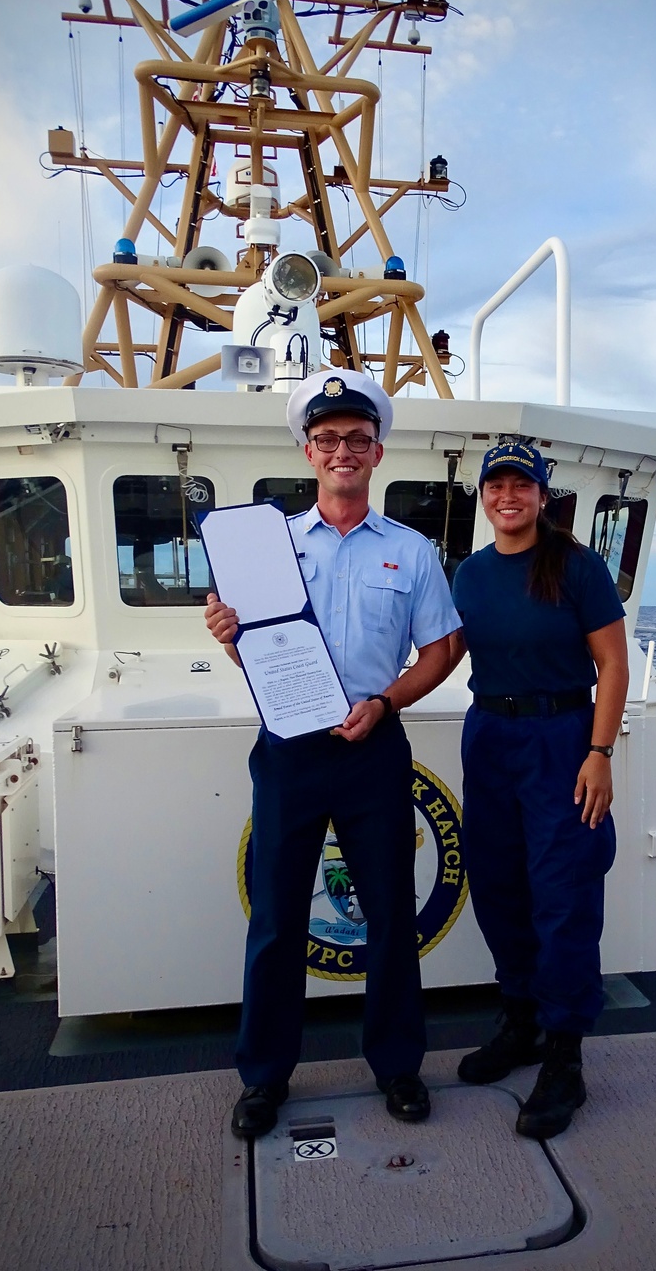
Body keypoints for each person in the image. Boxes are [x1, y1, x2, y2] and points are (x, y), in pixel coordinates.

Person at [205, 370, 460, 1138]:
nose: (342, 451)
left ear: (376, 452)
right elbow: (256, 647)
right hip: (289, 749)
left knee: (390, 915)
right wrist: (228, 640)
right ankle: (263, 1079)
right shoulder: (267, 545)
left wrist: (387, 702)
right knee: (277, 920)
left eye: (356, 438)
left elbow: (443, 647)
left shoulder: (411, 552)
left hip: (374, 749)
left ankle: (398, 1065)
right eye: (327, 439)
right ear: (308, 452)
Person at [449, 441, 630, 1139]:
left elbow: (611, 664)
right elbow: (443, 654)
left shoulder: (577, 566)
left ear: (542, 494)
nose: (508, 496)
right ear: (484, 496)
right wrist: (377, 700)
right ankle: (520, 1021)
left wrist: (599, 753)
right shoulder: (470, 575)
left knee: (564, 895)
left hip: (562, 740)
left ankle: (565, 1057)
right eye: (496, 485)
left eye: (521, 484)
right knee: (497, 888)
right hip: (490, 735)